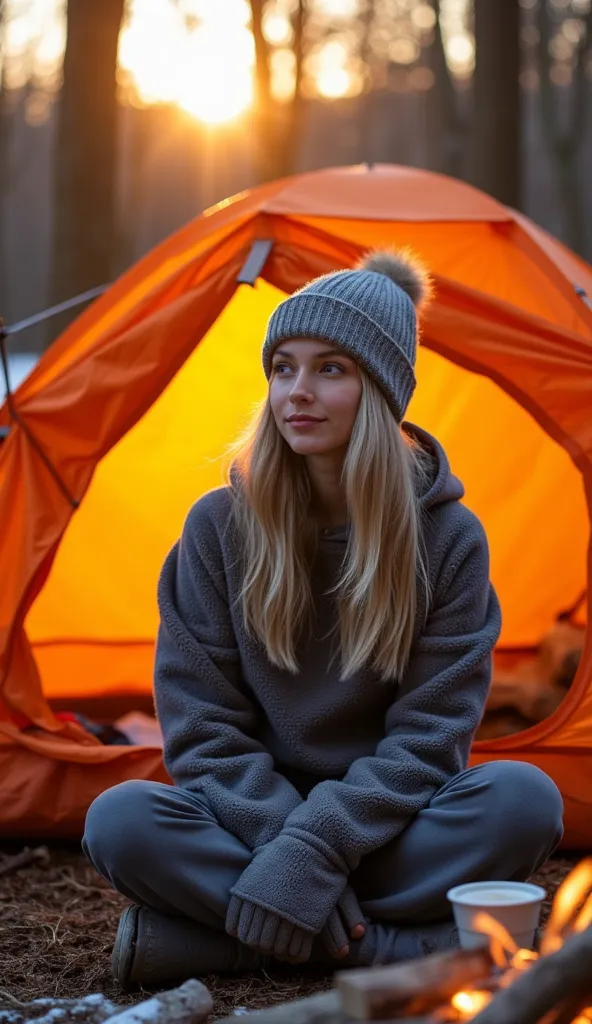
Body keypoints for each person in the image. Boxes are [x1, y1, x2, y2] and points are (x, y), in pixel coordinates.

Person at [83, 250, 563, 989]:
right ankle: (392, 951)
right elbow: (203, 733)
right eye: (283, 367)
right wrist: (290, 849)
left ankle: (225, 941)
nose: (295, 393)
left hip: (392, 824)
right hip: (247, 826)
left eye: (329, 370)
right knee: (121, 821)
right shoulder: (218, 528)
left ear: (379, 389)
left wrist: (317, 850)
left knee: (523, 803)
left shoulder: (447, 539)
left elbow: (431, 740)